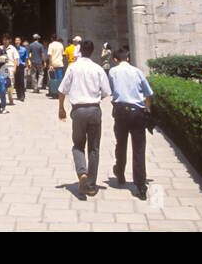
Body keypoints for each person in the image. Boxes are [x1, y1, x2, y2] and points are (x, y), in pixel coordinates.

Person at [56, 39, 110, 196]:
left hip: (78, 110)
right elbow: (106, 92)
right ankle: (91, 186)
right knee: (94, 148)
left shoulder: (73, 67)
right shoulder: (98, 69)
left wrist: (61, 108)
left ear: (79, 52)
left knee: (78, 145)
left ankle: (82, 173)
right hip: (94, 109)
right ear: (92, 51)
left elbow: (62, 90)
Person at [108, 47, 155, 199]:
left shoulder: (113, 72)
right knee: (139, 149)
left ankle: (120, 173)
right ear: (127, 58)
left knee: (120, 144)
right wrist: (146, 110)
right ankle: (140, 186)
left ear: (115, 60)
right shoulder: (137, 72)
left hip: (120, 111)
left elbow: (111, 90)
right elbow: (149, 94)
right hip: (137, 112)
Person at [14, 36, 28, 101]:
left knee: (21, 80)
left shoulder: (24, 49)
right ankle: (18, 94)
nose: (17, 42)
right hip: (14, 66)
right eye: (16, 40)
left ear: (20, 41)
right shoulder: (13, 49)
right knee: (16, 81)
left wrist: (27, 66)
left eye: (18, 40)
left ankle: (22, 95)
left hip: (21, 66)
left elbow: (26, 58)